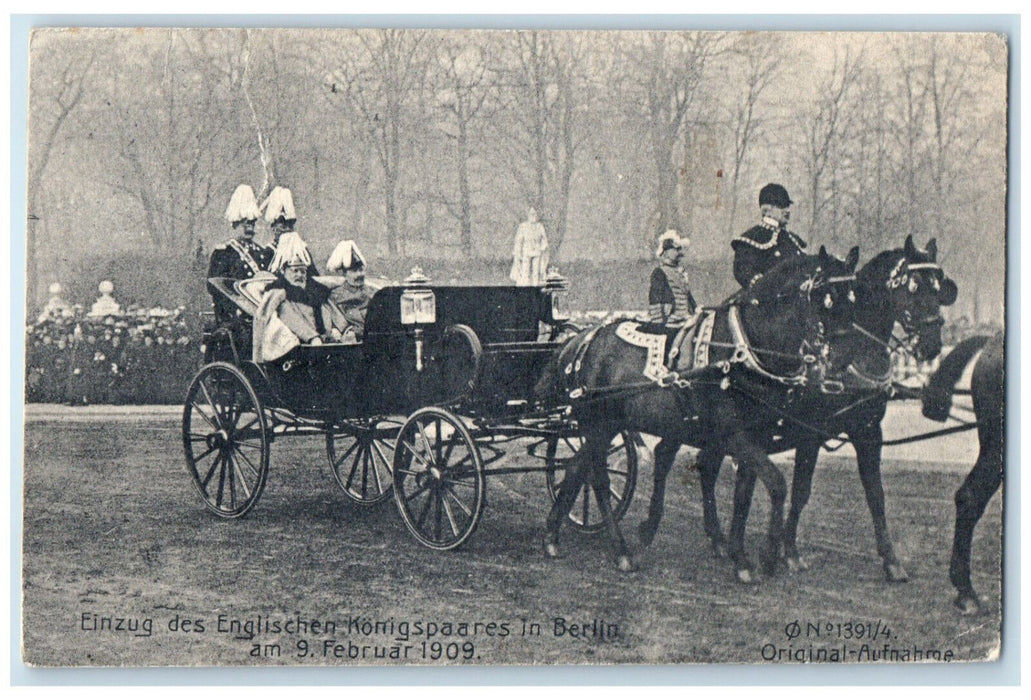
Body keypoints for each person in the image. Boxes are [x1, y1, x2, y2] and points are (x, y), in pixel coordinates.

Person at [252, 232, 341, 363]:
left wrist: (341, 330)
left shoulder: (314, 289)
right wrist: (312, 337)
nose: (299, 275)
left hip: (323, 342)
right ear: (283, 271)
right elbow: (280, 317)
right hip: (296, 347)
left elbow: (331, 309)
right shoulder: (279, 291)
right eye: (295, 270)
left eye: (303, 271)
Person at [731, 183, 807, 288]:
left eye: (787, 206)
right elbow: (744, 272)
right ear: (766, 210)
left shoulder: (793, 240)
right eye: (781, 206)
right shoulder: (751, 239)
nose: (787, 210)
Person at [262, 186, 319, 276]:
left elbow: (313, 278)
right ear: (273, 226)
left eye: (290, 223)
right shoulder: (268, 252)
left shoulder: (301, 250)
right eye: (282, 223)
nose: (287, 228)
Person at [648, 230, 698, 326]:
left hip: (686, 318)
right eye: (675, 249)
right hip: (670, 320)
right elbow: (655, 299)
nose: (678, 252)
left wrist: (695, 311)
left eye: (679, 249)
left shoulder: (681, 272)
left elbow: (688, 296)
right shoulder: (659, 272)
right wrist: (659, 324)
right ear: (666, 252)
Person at [325, 239, 371, 342]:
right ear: (344, 274)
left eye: (361, 270)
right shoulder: (335, 296)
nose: (360, 274)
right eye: (354, 271)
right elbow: (338, 323)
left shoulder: (371, 292)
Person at [509, 207, 549, 286]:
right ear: (528, 215)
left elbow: (544, 239)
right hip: (526, 252)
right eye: (531, 214)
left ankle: (535, 289)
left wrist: (542, 247)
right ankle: (526, 289)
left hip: (537, 252)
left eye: (534, 214)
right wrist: (518, 253)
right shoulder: (523, 226)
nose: (533, 216)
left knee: (536, 273)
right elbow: (519, 241)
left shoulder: (540, 226)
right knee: (525, 272)